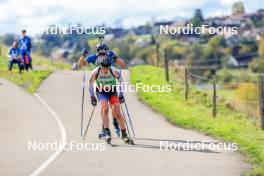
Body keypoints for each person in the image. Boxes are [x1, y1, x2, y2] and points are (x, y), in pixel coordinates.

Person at [78, 43, 126, 137]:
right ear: (97, 52)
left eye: (104, 53)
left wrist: (114, 57)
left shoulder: (110, 56)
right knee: (104, 108)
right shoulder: (93, 58)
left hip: (112, 83)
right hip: (101, 86)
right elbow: (81, 65)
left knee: (115, 110)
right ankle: (104, 128)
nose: (102, 55)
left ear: (107, 51)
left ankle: (115, 123)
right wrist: (83, 56)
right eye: (100, 53)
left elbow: (123, 64)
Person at [88, 55, 133, 144]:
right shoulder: (95, 72)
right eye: (104, 68)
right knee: (105, 109)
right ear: (100, 66)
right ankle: (107, 132)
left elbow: (121, 81)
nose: (105, 70)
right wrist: (92, 97)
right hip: (101, 92)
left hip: (112, 92)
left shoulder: (113, 71)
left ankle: (124, 134)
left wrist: (121, 94)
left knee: (117, 113)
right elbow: (90, 84)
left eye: (107, 68)